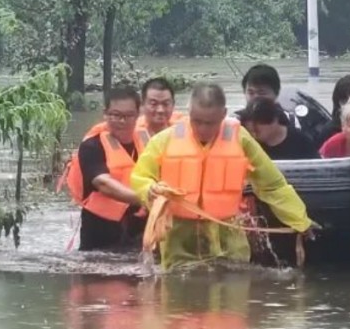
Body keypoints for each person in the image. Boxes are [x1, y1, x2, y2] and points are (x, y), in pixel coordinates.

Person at [130, 82, 317, 270]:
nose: (202, 129)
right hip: (179, 235)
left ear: (223, 114)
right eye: (197, 121)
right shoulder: (166, 139)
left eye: (210, 123)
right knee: (179, 290)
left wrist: (300, 220)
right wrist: (150, 189)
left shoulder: (240, 138)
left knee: (233, 285)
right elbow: (141, 176)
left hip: (227, 231)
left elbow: (272, 185)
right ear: (189, 112)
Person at [61, 86, 145, 251]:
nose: (122, 121)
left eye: (128, 115)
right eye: (116, 115)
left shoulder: (149, 141)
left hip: (139, 232)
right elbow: (103, 183)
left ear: (137, 115)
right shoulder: (92, 146)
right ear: (105, 113)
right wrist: (144, 198)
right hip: (100, 236)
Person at [245, 98, 320, 161]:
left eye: (256, 131)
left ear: (274, 120)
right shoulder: (250, 143)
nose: (253, 135)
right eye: (250, 131)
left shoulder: (302, 142)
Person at [236, 63, 301, 130]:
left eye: (262, 93)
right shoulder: (235, 121)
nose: (255, 97)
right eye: (251, 93)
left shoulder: (291, 121)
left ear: (276, 93)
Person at [136, 77, 185, 151]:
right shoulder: (131, 132)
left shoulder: (184, 128)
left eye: (166, 104)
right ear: (142, 104)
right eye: (153, 104)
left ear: (173, 104)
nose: (160, 110)